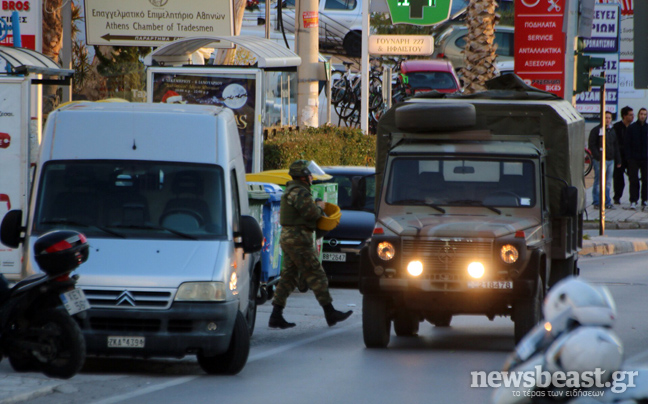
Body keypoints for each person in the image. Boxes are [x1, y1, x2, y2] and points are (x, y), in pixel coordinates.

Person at [269, 160, 352, 329]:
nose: (311, 177)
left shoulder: (293, 190)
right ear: (303, 177)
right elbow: (311, 214)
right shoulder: (299, 192)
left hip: (290, 238)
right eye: (309, 175)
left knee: (289, 277)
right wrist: (319, 207)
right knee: (316, 274)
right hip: (298, 240)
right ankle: (330, 313)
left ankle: (275, 315)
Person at [588, 111, 621, 209]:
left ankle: (606, 201)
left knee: (608, 182)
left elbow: (615, 145)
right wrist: (598, 157)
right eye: (606, 118)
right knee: (598, 181)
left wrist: (618, 159)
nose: (607, 120)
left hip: (611, 160)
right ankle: (597, 202)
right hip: (600, 160)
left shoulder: (612, 131)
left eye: (609, 118)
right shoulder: (596, 130)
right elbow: (592, 145)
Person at [625, 107, 648, 210]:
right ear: (638, 115)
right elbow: (627, 143)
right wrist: (629, 157)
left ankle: (645, 200)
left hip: (645, 158)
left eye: (644, 114)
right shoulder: (632, 127)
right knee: (633, 180)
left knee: (646, 180)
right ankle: (633, 200)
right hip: (634, 158)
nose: (642, 116)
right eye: (641, 114)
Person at [612, 106, 634, 204]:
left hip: (631, 157)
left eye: (633, 115)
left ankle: (634, 198)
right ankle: (617, 197)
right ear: (624, 116)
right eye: (630, 115)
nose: (632, 117)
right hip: (619, 156)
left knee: (633, 178)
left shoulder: (633, 127)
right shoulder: (617, 127)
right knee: (618, 178)